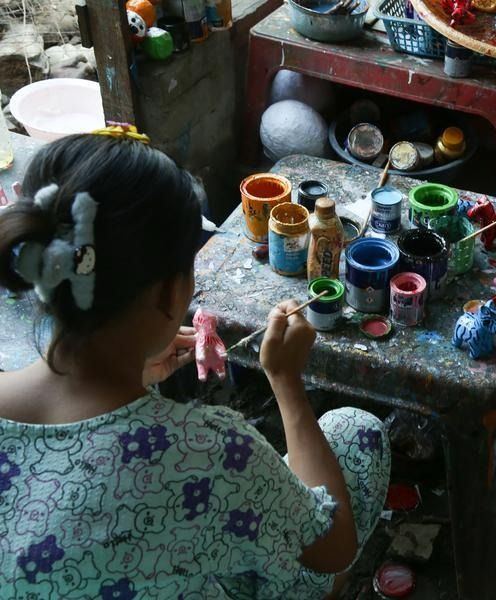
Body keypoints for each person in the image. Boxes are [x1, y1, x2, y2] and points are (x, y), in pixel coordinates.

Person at [0, 129, 390, 598]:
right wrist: (286, 382)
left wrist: (135, 379)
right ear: (169, 293)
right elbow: (332, 550)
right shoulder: (207, 450)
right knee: (355, 431)